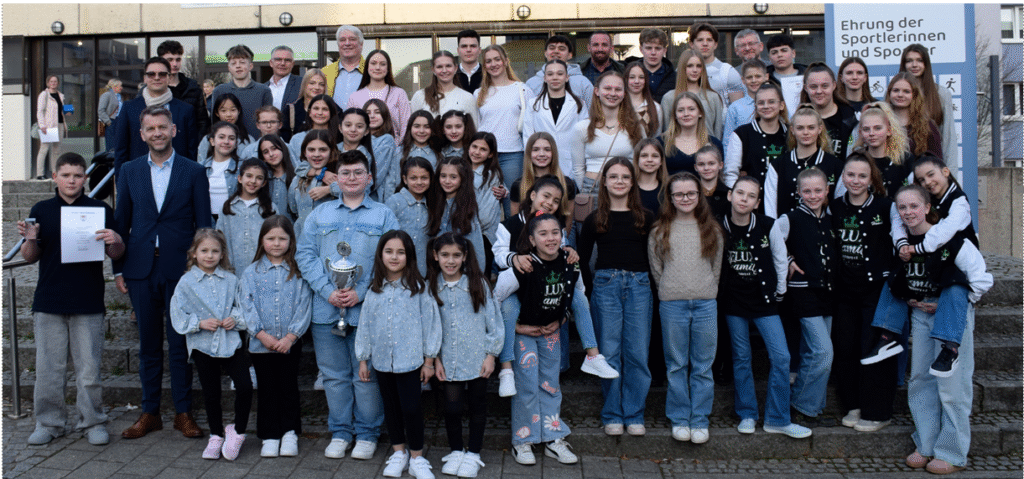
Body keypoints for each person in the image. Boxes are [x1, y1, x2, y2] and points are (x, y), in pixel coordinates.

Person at [114, 106, 212, 439]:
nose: (157, 133)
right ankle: (149, 412)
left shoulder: (193, 171)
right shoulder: (129, 171)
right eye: (150, 128)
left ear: (173, 130)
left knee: (180, 343)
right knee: (149, 344)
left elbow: (204, 225)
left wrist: (202, 271)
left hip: (180, 269)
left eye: (162, 127)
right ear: (142, 134)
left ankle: (183, 413)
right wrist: (118, 269)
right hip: (140, 268)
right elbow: (121, 222)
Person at [295, 149, 400, 460]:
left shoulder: (383, 215)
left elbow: (393, 259)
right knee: (334, 375)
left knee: (365, 376)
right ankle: (341, 431)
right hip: (326, 309)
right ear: (336, 179)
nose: (352, 178)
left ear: (369, 178)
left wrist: (362, 292)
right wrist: (327, 290)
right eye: (345, 173)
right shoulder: (319, 214)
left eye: (358, 173)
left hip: (367, 311)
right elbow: (305, 254)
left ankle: (367, 433)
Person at [878, 185, 991, 474]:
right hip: (920, 314)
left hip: (951, 317)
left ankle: (952, 453)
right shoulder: (903, 245)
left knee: (953, 385)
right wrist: (910, 298)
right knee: (920, 380)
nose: (909, 212)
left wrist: (947, 304)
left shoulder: (951, 240)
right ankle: (926, 444)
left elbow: (981, 279)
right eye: (903, 208)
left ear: (927, 208)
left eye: (914, 206)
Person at [19, 153, 124, 446]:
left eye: (77, 175)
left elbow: (115, 253)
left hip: (87, 299)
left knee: (89, 370)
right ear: (55, 177)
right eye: (66, 175)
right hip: (49, 300)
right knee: (48, 370)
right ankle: (49, 423)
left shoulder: (100, 210)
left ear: (85, 178)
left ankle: (92, 422)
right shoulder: (41, 209)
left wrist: (116, 240)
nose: (72, 181)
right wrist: (30, 239)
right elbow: (29, 257)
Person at [720, 176, 812, 439]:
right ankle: (747, 413)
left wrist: (780, 291)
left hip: (764, 301)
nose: (744, 199)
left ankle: (777, 418)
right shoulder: (718, 225)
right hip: (733, 303)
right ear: (730, 195)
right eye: (740, 193)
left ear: (757, 202)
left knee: (781, 357)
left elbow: (780, 259)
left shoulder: (768, 225)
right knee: (741, 357)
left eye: (751, 196)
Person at [493, 213, 582, 466]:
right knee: (527, 384)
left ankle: (553, 436)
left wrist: (563, 319)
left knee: (550, 383)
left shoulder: (569, 263)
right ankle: (523, 439)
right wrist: (516, 327)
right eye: (543, 234)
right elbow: (495, 299)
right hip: (524, 335)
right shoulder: (524, 266)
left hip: (551, 332)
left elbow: (575, 295)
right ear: (532, 240)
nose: (550, 238)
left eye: (555, 233)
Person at [577, 158, 655, 438]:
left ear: (633, 182)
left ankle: (634, 413)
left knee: (637, 353)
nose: (619, 181)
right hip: (606, 286)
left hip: (639, 285)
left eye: (625, 177)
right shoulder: (594, 219)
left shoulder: (646, 217)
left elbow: (654, 257)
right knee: (609, 353)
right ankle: (612, 414)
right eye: (613, 176)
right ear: (605, 182)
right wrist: (589, 292)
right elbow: (582, 260)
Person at [356, 231, 441, 479]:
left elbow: (431, 325)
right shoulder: (374, 291)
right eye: (389, 251)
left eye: (400, 252)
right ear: (380, 255)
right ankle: (398, 453)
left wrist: (429, 361)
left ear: (410, 256)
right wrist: (363, 359)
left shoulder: (419, 289)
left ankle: (417, 457)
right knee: (390, 407)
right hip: (382, 361)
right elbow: (365, 325)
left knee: (411, 408)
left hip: (410, 361)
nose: (394, 257)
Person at [649, 172, 723, 444]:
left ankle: (699, 419)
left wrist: (706, 289)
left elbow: (716, 267)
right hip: (672, 304)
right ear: (670, 198)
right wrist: (671, 289)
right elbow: (657, 269)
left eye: (691, 193)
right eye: (678, 194)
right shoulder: (660, 230)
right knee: (676, 364)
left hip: (705, 303)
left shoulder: (711, 229)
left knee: (703, 365)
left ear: (699, 195)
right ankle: (680, 418)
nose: (685, 198)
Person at [830, 153, 901, 434]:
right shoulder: (835, 207)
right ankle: (853, 405)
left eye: (862, 175)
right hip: (845, 292)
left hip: (877, 291)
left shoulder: (886, 207)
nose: (856, 180)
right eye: (851, 175)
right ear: (843, 177)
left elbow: (899, 242)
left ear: (872, 179)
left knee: (872, 349)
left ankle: (878, 412)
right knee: (845, 348)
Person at [170, 228, 250, 461]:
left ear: (222, 254)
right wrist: (199, 323)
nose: (209, 255)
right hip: (203, 344)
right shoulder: (186, 283)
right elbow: (177, 313)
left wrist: (234, 319)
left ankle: (237, 431)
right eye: (204, 251)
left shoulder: (231, 280)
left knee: (245, 386)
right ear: (194, 253)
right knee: (211, 392)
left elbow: (243, 306)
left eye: (215, 251)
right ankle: (216, 434)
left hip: (230, 341)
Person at [428, 232, 503, 478]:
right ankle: (456, 450)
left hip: (477, 357)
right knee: (452, 408)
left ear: (465, 256)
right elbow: (429, 326)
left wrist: (491, 355)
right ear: (435, 256)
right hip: (447, 360)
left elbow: (493, 321)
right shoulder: (431, 287)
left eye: (456, 255)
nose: (450, 261)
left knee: (477, 406)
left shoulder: (477, 284)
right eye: (445, 255)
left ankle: (473, 453)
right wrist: (435, 358)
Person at [769, 167, 839, 426]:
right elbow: (769, 243)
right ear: (798, 192)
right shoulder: (790, 219)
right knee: (823, 352)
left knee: (814, 353)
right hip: (802, 293)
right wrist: (787, 260)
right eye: (807, 191)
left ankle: (814, 409)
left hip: (827, 293)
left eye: (818, 190)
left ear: (827, 190)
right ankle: (801, 405)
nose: (813, 195)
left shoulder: (831, 219)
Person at [240, 215, 312, 458]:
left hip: (289, 343)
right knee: (267, 388)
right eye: (271, 238)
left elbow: (304, 305)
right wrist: (261, 335)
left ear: (291, 241)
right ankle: (270, 435)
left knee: (288, 386)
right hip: (261, 344)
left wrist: (291, 337)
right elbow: (246, 305)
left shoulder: (298, 272)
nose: (277, 243)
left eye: (282, 238)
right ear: (262, 240)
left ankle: (290, 432)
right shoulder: (251, 273)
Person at [112, 58, 197, 177]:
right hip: (139, 178)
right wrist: (121, 183)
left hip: (177, 178)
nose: (157, 78)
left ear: (169, 78)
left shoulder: (186, 110)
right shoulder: (129, 108)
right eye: (151, 74)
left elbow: (191, 152)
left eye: (162, 74)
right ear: (145, 78)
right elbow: (121, 151)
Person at [764, 105, 843, 219]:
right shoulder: (778, 165)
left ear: (820, 129)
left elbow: (840, 206)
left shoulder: (836, 165)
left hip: (823, 229)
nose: (806, 132)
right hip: (787, 228)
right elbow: (770, 208)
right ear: (792, 130)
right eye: (800, 128)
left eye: (811, 127)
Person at [572, 71, 645, 191]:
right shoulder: (582, 128)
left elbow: (642, 163)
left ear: (624, 93)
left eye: (618, 89)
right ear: (597, 91)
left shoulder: (635, 127)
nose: (613, 93)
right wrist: (585, 193)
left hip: (625, 188)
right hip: (592, 188)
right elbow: (578, 168)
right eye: (607, 88)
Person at [474, 45, 529, 204]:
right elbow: (476, 126)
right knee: (485, 203)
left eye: (497, 59)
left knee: (512, 202)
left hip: (512, 154)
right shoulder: (478, 93)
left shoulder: (522, 89)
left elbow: (530, 125)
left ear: (505, 61)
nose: (493, 64)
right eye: (488, 61)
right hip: (484, 155)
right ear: (485, 66)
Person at [522, 59, 589, 179]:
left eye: (560, 73)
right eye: (550, 74)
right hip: (541, 164)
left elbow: (584, 137)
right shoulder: (533, 104)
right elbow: (528, 136)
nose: (555, 77)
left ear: (567, 77)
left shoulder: (579, 104)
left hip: (571, 165)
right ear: (544, 78)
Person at [900, 44, 958, 172]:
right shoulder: (895, 94)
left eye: (919, 60)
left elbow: (948, 138)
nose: (914, 65)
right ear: (903, 64)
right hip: (901, 168)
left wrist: (950, 175)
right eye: (909, 61)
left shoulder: (941, 94)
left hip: (931, 168)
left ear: (926, 64)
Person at [725, 83, 789, 190]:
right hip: (752, 198)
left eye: (771, 102)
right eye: (761, 102)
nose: (766, 106)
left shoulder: (791, 133)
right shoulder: (741, 134)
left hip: (784, 197)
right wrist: (738, 195)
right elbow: (730, 174)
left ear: (781, 105)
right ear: (755, 106)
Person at [428, 156, 487, 272]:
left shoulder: (466, 209)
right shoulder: (435, 203)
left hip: (460, 274)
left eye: (453, 177)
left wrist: (477, 276)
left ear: (463, 179)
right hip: (436, 272)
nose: (447, 181)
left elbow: (476, 249)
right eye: (443, 176)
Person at [217, 158, 275, 271]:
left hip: (262, 269)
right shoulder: (227, 208)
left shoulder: (270, 209)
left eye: (259, 178)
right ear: (239, 178)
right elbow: (220, 239)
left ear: (264, 183)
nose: (253, 181)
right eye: (249, 176)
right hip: (232, 269)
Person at [210, 45, 273, 142]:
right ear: (229, 67)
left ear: (250, 66)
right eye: (233, 63)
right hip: (227, 144)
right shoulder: (219, 90)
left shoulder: (264, 90)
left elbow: (269, 122)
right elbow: (215, 122)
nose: (238, 66)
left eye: (242, 62)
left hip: (257, 144)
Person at [347, 50, 411, 144]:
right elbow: (349, 126)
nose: (377, 67)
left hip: (394, 148)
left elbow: (406, 125)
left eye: (382, 64)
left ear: (388, 68)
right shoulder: (355, 97)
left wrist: (400, 147)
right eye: (373, 63)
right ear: (367, 67)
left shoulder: (398, 93)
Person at [851, 102, 913, 198]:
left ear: (889, 130)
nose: (871, 133)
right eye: (866, 129)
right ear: (860, 133)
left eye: (877, 128)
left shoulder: (905, 159)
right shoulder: (855, 160)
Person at [659, 49, 724, 139]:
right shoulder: (669, 98)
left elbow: (717, 133)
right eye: (690, 66)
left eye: (699, 66)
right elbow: (667, 132)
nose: (695, 70)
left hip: (708, 146)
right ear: (682, 68)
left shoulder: (713, 97)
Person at [800, 63, 857, 162]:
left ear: (834, 85)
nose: (819, 91)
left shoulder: (850, 117)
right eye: (813, 87)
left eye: (825, 86)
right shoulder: (799, 119)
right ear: (806, 88)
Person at [385, 157, 433, 275]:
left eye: (424, 178)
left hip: (422, 268)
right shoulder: (394, 201)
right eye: (413, 178)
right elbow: (385, 234)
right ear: (405, 179)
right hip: (396, 267)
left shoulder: (432, 204)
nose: (419, 182)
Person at [511, 133, 578, 216]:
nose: (541, 154)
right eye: (536, 150)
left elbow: (568, 220)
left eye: (547, 149)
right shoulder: (518, 185)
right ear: (529, 153)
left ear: (554, 153)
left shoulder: (566, 184)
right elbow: (514, 220)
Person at [659, 91, 724, 176]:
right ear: (675, 115)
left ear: (700, 113)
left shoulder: (715, 144)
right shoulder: (661, 142)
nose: (686, 114)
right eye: (681, 110)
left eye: (691, 109)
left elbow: (719, 178)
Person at [158, 40, 212, 139]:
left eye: (178, 60)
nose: (175, 64)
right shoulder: (151, 89)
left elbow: (202, 122)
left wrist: (197, 144)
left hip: (189, 144)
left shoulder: (193, 88)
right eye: (170, 60)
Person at [525, 35, 594, 111]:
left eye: (561, 49)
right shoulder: (531, 83)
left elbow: (591, 113)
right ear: (545, 53)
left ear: (570, 55)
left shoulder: (583, 83)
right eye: (552, 48)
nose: (556, 51)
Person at [411, 50, 480, 125]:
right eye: (439, 67)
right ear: (433, 70)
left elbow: (473, 128)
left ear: (455, 68)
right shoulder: (420, 96)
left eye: (448, 66)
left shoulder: (467, 97)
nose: (444, 70)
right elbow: (413, 127)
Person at [289, 129, 338, 233]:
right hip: (302, 235)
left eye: (323, 150)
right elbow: (293, 209)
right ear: (304, 152)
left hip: (331, 236)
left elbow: (354, 192)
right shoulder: (298, 179)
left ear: (331, 151)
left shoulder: (336, 175)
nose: (317, 154)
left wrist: (329, 189)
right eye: (311, 150)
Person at [885, 73, 943, 159]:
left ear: (915, 95)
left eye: (906, 91)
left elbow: (936, 161)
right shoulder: (880, 122)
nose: (900, 95)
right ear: (889, 93)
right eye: (896, 90)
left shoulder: (928, 126)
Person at [688, 23, 743, 105]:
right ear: (691, 44)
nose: (705, 44)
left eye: (709, 40)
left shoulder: (728, 72)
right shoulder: (681, 71)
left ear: (715, 44)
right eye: (700, 40)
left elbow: (739, 109)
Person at [464, 132, 503, 244]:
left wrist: (469, 227)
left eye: (483, 149)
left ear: (490, 154)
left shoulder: (491, 176)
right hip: (460, 229)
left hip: (481, 234)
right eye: (474, 147)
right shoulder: (461, 169)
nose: (477, 152)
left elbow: (486, 215)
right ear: (469, 147)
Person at [722, 60, 768, 152]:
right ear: (743, 80)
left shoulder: (774, 105)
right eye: (749, 77)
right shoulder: (735, 108)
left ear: (766, 77)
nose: (754, 80)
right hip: (744, 156)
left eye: (758, 76)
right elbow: (728, 141)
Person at [199, 93, 257, 161]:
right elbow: (201, 164)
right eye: (223, 111)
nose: (229, 114)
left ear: (238, 111)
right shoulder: (207, 140)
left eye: (233, 110)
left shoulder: (248, 140)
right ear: (217, 113)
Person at [202, 121, 242, 219]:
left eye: (231, 138)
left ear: (236, 143)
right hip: (207, 220)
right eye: (221, 137)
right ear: (212, 141)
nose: (226, 141)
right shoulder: (200, 167)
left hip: (233, 219)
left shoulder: (243, 167)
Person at [764, 34, 807, 119]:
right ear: (769, 57)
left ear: (793, 53)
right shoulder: (764, 79)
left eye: (784, 50)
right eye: (774, 52)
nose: (779, 55)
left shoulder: (808, 76)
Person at [256, 134, 296, 223]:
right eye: (266, 152)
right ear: (263, 158)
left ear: (282, 149)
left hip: (291, 228)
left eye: (274, 149)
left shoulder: (296, 178)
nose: (271, 154)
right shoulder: (262, 181)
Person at [35, 75, 68, 179]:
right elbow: (40, 111)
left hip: (60, 124)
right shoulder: (44, 95)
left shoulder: (60, 95)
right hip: (49, 126)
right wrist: (42, 125)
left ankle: (55, 173)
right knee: (44, 149)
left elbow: (62, 110)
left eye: (55, 81)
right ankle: (40, 174)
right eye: (51, 81)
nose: (53, 83)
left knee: (56, 150)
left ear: (58, 83)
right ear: (48, 83)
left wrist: (68, 111)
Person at [324, 25, 366, 107]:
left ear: (361, 44)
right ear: (338, 44)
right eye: (342, 40)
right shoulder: (325, 72)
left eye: (352, 39)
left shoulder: (371, 71)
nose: (347, 43)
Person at [281, 69, 328, 142]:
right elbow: (285, 143)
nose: (317, 87)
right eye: (312, 83)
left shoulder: (334, 110)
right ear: (304, 85)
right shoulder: (290, 111)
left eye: (321, 84)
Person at [635, 28, 676, 102]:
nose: (653, 52)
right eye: (648, 48)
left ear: (665, 50)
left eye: (658, 48)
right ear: (641, 49)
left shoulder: (675, 77)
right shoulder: (630, 76)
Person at [624, 61, 661, 137]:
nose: (636, 81)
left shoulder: (656, 108)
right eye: (632, 77)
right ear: (626, 79)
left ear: (646, 80)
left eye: (641, 77)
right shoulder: (618, 105)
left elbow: (657, 137)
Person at [694, 144, 730, 219]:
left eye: (711, 163)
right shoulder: (691, 194)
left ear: (720, 165)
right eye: (701, 164)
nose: (706, 168)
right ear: (696, 167)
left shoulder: (730, 195)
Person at [266, 45, 302, 110]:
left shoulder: (302, 84)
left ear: (293, 64)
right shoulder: (263, 88)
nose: (282, 63)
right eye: (278, 59)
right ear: (271, 63)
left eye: (287, 60)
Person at [455, 29, 483, 94]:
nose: (468, 50)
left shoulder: (488, 74)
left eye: (473, 46)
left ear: (479, 50)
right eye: (464, 46)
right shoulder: (451, 75)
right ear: (458, 50)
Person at [98, 78, 122, 152]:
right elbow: (101, 110)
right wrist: (108, 122)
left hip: (119, 121)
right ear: (114, 87)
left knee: (118, 145)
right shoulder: (107, 95)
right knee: (111, 146)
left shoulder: (119, 96)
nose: (121, 88)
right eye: (120, 86)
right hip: (111, 121)